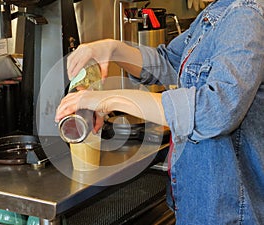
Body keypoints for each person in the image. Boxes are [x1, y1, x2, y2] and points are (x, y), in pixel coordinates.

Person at [55, 0, 264, 224]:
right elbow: (170, 63)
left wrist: (108, 100)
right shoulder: (219, 12)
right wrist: (112, 48)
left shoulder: (245, 16)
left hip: (231, 211)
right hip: (202, 203)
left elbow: (214, 110)